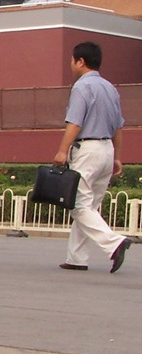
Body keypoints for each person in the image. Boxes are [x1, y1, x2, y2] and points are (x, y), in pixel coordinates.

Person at [53, 41, 130, 272]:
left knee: (78, 205)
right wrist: (117, 156)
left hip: (87, 150)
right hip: (107, 149)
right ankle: (77, 258)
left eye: (72, 60)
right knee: (90, 206)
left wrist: (62, 150)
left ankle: (114, 243)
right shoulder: (110, 88)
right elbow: (118, 126)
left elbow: (75, 122)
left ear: (81, 61)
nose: (71, 65)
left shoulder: (81, 87)